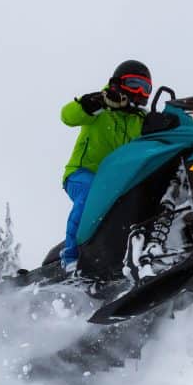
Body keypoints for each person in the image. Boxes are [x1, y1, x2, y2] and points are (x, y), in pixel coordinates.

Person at [59, 59, 152, 272]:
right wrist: (93, 103)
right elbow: (67, 116)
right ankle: (71, 258)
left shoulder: (141, 121)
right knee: (92, 194)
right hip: (82, 174)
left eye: (145, 88)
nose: (138, 91)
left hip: (116, 185)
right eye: (133, 84)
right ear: (117, 83)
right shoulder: (101, 107)